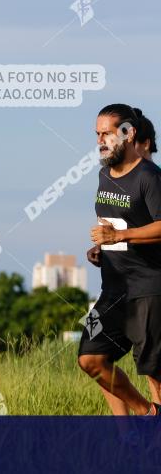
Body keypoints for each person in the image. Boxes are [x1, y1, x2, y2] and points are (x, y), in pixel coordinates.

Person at [85, 106, 161, 414]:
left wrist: (120, 237)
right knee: (90, 359)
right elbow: (114, 223)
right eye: (97, 135)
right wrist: (101, 248)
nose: (100, 141)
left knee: (154, 372)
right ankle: (143, 420)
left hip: (148, 288)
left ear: (128, 135)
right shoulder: (104, 175)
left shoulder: (150, 177)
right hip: (112, 288)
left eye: (106, 134)